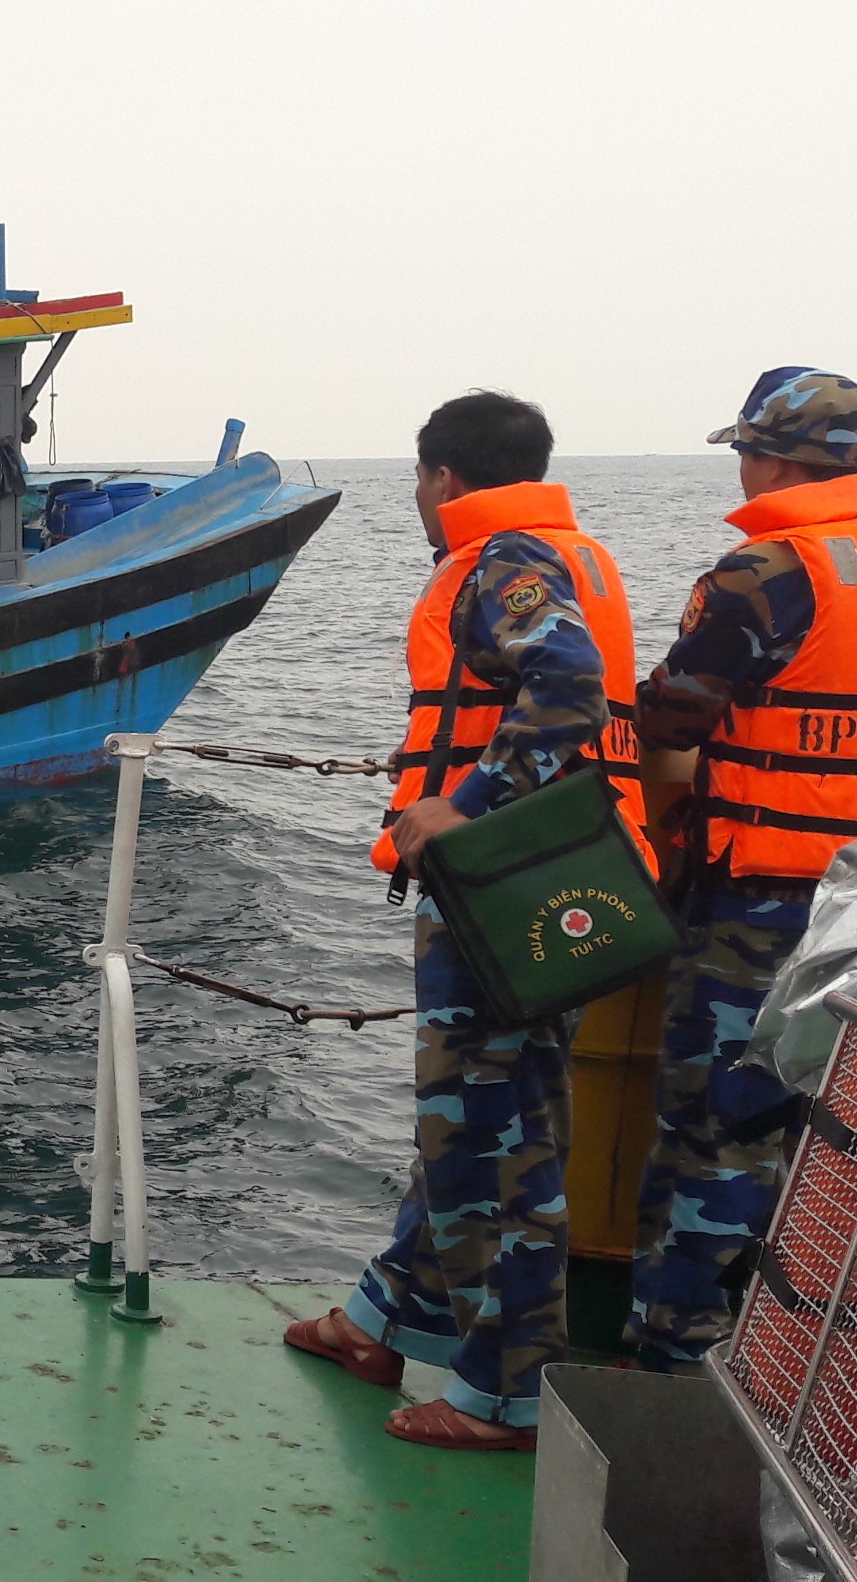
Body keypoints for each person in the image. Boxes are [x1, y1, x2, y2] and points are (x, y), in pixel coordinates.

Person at [284, 390, 651, 1453]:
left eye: (418, 478)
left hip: (508, 888)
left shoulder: (505, 560)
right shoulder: (575, 554)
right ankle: (380, 1322)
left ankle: (507, 1392)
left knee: (493, 1143)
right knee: (475, 1117)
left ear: (443, 479)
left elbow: (568, 686)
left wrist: (467, 801)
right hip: (564, 886)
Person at [625, 369, 857, 1373]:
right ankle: (787, 1353)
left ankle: (677, 1350)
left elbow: (673, 716)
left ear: (769, 457)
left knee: (718, 1121)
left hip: (755, 898)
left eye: (744, 450)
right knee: (821, 1126)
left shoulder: (764, 573)